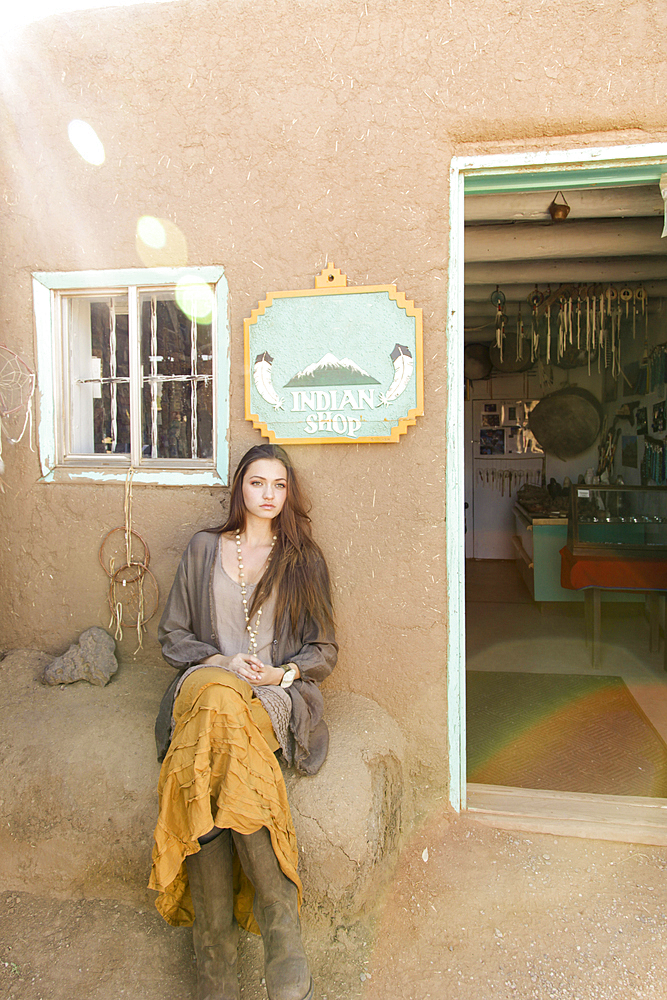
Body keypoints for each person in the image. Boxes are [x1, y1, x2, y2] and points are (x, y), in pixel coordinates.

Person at [149, 444, 337, 1000]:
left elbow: (323, 650)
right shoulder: (204, 549)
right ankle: (281, 925)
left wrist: (281, 674)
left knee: (213, 743)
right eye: (258, 483)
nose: (269, 495)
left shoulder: (304, 560)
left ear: (289, 493)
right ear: (241, 489)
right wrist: (224, 662)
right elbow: (173, 636)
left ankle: (214, 959)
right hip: (207, 681)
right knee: (216, 701)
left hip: (270, 697)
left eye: (279, 485)